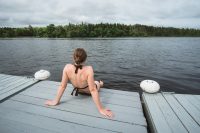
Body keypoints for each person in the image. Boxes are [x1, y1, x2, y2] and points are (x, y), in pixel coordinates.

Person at [45, 48, 114, 118]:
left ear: (73, 57)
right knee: (96, 83)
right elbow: (93, 90)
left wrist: (55, 101)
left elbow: (62, 86)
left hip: (78, 90)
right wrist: (101, 109)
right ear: (85, 59)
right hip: (88, 91)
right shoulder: (89, 69)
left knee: (90, 82)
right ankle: (101, 83)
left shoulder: (67, 67)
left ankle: (97, 83)